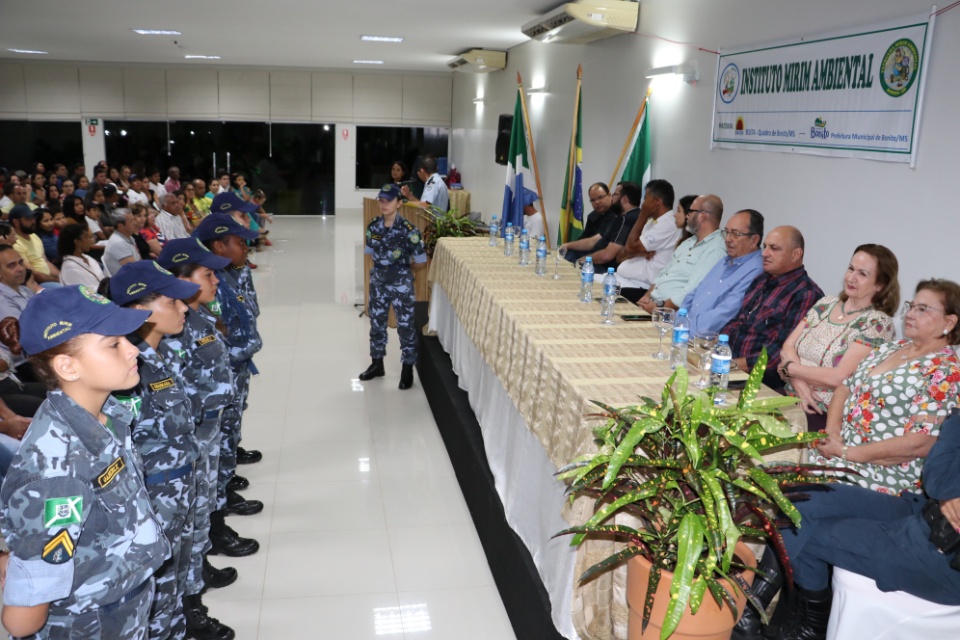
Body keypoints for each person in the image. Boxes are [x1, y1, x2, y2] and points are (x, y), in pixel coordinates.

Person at [0, 285, 170, 639]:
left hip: (123, 608)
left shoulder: (104, 414)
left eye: (127, 338)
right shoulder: (56, 470)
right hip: (89, 625)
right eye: (113, 344)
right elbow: (21, 621)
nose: (131, 350)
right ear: (67, 366)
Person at [774, 409, 960, 640]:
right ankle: (792, 613)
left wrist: (955, 419)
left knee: (801, 527)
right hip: (924, 513)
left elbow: (939, 481)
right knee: (799, 498)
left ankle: (811, 624)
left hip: (939, 558)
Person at [100, 261, 202, 640]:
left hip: (177, 489)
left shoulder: (158, 357)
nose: (184, 307)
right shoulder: (125, 373)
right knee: (156, 599)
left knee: (173, 588)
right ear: (138, 311)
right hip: (153, 501)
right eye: (171, 301)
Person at [158, 238, 251, 640]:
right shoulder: (169, 338)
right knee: (180, 532)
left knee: (200, 512)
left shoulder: (195, 318)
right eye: (206, 274)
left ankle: (196, 584)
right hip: (187, 445)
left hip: (204, 436)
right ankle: (188, 607)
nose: (215, 279)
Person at [811, 278, 960, 494]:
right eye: (911, 306)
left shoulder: (945, 371)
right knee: (768, 468)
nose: (909, 314)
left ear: (949, 322)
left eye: (923, 310)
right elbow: (845, 387)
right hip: (840, 451)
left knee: (793, 491)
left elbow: (919, 443)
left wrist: (848, 453)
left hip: (884, 472)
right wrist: (833, 434)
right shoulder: (892, 347)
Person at [193, 210, 265, 523]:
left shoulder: (230, 273)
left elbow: (249, 311)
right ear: (219, 247)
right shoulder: (209, 283)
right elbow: (220, 329)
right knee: (221, 433)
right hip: (225, 368)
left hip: (236, 363)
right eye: (239, 242)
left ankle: (227, 476)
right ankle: (221, 499)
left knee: (231, 427)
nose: (246, 246)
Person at [779, 244, 900, 431]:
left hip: (821, 412)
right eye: (851, 269)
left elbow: (839, 377)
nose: (851, 278)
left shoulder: (876, 323)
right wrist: (798, 382)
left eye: (862, 274)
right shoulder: (826, 303)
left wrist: (789, 368)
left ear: (880, 285)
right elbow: (788, 346)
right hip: (790, 394)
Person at [721, 226, 823, 389]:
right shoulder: (761, 280)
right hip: (730, 367)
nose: (765, 253)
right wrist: (715, 348)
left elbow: (780, 353)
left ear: (796, 254)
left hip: (760, 381)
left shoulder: (806, 294)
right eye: (765, 247)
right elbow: (738, 321)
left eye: (774, 249)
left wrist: (730, 365)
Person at [359, 184, 428, 390]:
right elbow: (371, 251)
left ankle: (407, 368)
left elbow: (421, 261)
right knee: (377, 324)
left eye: (388, 200)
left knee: (405, 326)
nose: (383, 204)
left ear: (399, 203)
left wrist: (404, 269)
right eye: (381, 200)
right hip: (379, 282)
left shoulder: (409, 231)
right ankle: (377, 364)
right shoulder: (373, 226)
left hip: (401, 284)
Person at [680, 209, 765, 333]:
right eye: (726, 232)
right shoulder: (724, 261)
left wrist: (686, 328)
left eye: (735, 234)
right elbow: (694, 293)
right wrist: (680, 320)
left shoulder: (756, 271)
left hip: (708, 341)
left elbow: (726, 313)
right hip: (686, 331)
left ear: (754, 240)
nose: (728, 239)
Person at [636, 194, 726, 311]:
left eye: (691, 211)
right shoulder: (688, 242)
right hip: (654, 304)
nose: (687, 215)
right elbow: (663, 274)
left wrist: (659, 308)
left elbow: (692, 291)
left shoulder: (715, 249)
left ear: (702, 216)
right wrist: (646, 297)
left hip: (670, 314)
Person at [614, 179, 681, 298]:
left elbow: (629, 248)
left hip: (642, 288)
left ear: (657, 202)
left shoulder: (668, 224)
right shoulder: (651, 223)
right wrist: (638, 252)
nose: (643, 203)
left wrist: (643, 214)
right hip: (626, 281)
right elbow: (621, 256)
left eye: (645, 198)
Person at [560, 181, 644, 272]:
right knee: (568, 256)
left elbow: (606, 255)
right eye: (592, 200)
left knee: (569, 263)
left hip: (608, 268)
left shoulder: (626, 219)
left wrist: (584, 260)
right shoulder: (626, 217)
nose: (612, 197)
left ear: (624, 199)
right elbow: (595, 240)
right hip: (600, 260)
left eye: (615, 194)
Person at [58, 223, 104, 288]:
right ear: (77, 242)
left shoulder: (88, 257)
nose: (90, 241)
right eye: (86, 237)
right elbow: (86, 293)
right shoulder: (69, 267)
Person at [101, 209, 140, 277]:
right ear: (120, 226)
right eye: (131, 221)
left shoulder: (130, 238)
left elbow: (139, 261)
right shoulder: (118, 243)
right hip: (126, 282)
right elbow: (134, 270)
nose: (135, 223)